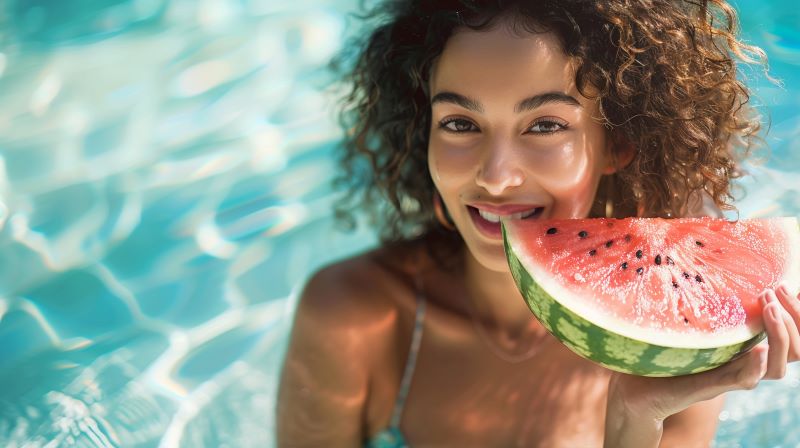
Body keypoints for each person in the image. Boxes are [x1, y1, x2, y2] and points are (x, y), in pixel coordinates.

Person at [276, 0, 800, 446]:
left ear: (616, 142)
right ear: (423, 134)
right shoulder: (351, 316)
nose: (497, 176)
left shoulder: (679, 332)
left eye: (545, 125)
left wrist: (636, 418)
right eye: (460, 123)